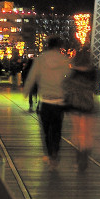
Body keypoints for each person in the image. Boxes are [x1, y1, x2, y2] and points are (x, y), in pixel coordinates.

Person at [23, 36, 71, 168]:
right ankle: (55, 152)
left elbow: (32, 76)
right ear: (58, 46)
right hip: (59, 101)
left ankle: (50, 154)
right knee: (57, 130)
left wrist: (26, 91)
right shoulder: (64, 60)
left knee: (45, 130)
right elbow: (69, 78)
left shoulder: (40, 60)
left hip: (45, 101)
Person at [65, 48, 99, 170]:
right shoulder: (93, 72)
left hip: (75, 104)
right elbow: (95, 87)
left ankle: (79, 154)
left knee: (77, 131)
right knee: (87, 132)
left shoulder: (73, 72)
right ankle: (85, 152)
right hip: (88, 104)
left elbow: (67, 87)